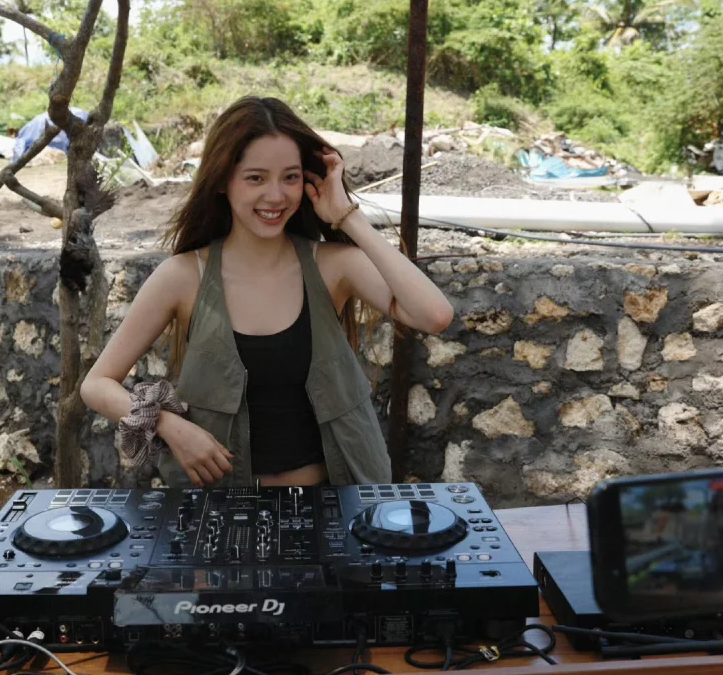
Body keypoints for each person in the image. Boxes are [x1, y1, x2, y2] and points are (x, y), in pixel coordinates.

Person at [80, 96, 454, 488]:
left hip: (332, 501)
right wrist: (168, 425)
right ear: (222, 181)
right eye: (256, 178)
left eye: (290, 177)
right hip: (220, 507)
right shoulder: (184, 276)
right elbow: (97, 384)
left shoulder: (334, 266)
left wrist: (348, 217)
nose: (276, 196)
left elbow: (434, 315)